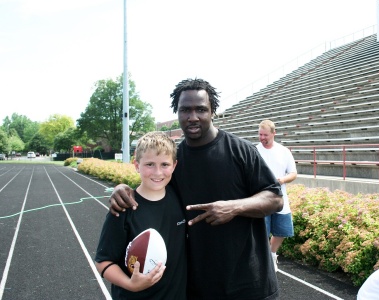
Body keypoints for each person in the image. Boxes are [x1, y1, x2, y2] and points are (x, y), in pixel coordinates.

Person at [109, 78, 284, 300]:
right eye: (185, 110)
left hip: (251, 284)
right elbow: (151, 189)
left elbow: (275, 198)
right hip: (198, 287)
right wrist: (122, 188)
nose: (193, 117)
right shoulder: (174, 161)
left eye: (201, 109)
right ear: (177, 112)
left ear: (212, 111)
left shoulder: (241, 151)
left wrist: (234, 207)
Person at [95, 131, 187, 300]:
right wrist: (131, 284)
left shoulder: (179, 197)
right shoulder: (123, 207)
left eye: (165, 165)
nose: (158, 172)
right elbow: (103, 262)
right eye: (150, 164)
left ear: (174, 166)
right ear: (136, 165)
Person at [257, 119, 297, 272]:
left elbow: (293, 173)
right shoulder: (255, 150)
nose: (262, 138)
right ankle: (267, 258)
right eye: (260, 134)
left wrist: (282, 180)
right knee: (262, 232)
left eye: (265, 135)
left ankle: (272, 254)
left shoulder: (284, 151)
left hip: (281, 199)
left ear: (274, 133)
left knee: (282, 231)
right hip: (260, 199)